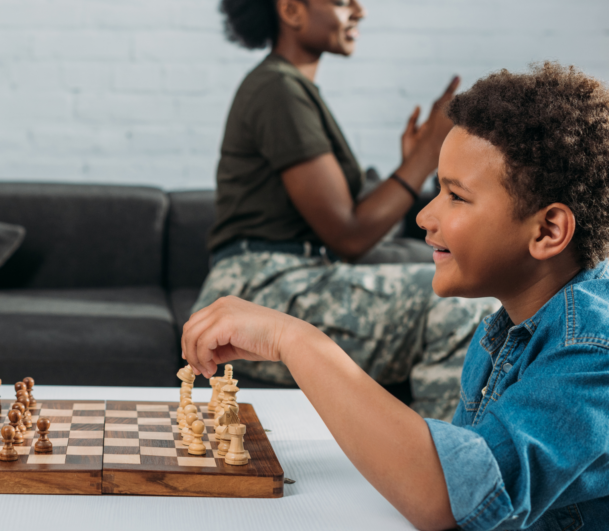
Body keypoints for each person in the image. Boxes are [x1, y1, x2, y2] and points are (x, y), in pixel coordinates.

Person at [184, 62, 609, 530]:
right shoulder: (503, 330)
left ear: (548, 230)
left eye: (456, 196)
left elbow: (443, 497)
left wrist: (297, 340)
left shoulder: (593, 350)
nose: (425, 216)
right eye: (436, 190)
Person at [193, 0, 498, 419]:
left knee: (466, 282)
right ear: (290, 9)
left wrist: (415, 167)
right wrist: (423, 154)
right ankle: (447, 468)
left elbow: (356, 226)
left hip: (293, 276)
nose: (359, 10)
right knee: (462, 302)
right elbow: (350, 235)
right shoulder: (278, 89)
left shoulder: (294, 90)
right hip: (267, 285)